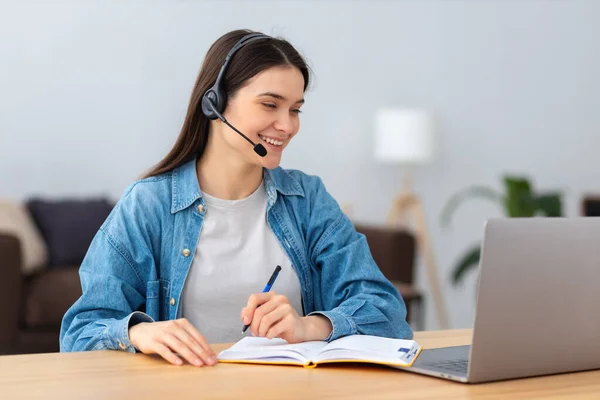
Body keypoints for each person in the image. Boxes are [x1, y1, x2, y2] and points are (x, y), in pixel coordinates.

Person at [59, 29, 412, 367]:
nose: (287, 126)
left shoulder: (307, 199)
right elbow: (79, 334)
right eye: (270, 104)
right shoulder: (148, 205)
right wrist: (138, 332)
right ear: (214, 104)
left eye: (295, 109)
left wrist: (309, 326)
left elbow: (387, 314)